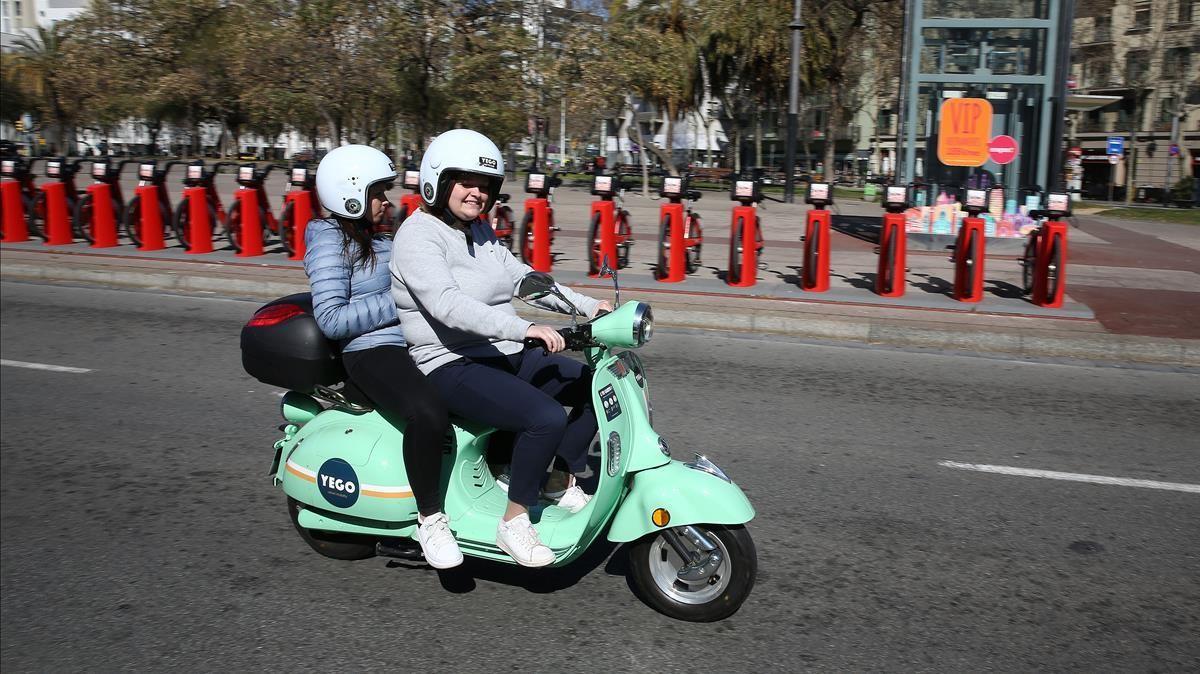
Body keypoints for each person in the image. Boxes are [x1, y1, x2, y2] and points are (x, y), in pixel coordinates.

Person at [390, 129, 612, 568]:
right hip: (450, 362)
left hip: (500, 351)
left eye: (486, 186)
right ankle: (513, 523)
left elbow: (522, 278)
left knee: (595, 387)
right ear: (439, 179)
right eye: (466, 181)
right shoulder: (417, 236)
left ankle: (555, 476)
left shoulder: (480, 230)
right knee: (544, 418)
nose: (478, 192)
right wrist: (523, 328)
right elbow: (448, 305)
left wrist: (591, 307)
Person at [305, 144, 462, 569]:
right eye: (378, 193)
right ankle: (429, 519)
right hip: (371, 352)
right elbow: (332, 319)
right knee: (427, 412)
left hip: (414, 341)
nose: (386, 201)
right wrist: (402, 301)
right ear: (349, 194)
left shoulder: (379, 237)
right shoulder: (329, 243)